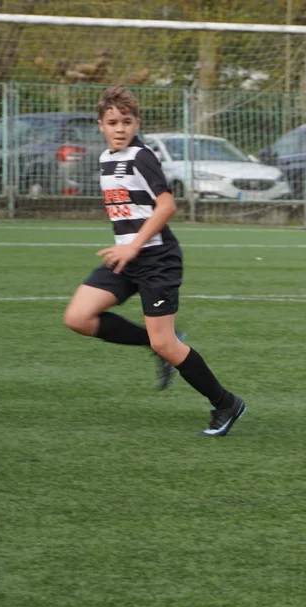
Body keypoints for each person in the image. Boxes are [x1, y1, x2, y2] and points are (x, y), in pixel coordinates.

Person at [62, 86, 245, 437]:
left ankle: (226, 403)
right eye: (112, 122)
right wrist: (128, 246)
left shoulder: (141, 156)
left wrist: (134, 246)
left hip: (157, 259)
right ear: (100, 125)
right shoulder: (105, 159)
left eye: (126, 121)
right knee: (78, 317)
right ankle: (155, 343)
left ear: (137, 123)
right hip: (126, 256)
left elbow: (166, 206)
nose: (119, 128)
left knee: (166, 344)